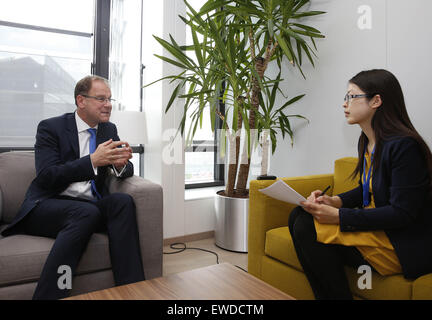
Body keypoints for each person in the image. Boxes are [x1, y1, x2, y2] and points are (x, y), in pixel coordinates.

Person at [288, 69, 432, 300]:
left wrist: (340, 216)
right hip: (376, 228)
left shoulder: (404, 147)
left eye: (351, 97)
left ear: (376, 101)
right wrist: (336, 200)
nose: (345, 104)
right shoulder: (368, 141)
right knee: (298, 214)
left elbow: (403, 213)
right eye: (345, 97)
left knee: (306, 225)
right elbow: (370, 188)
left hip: (397, 243)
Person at [1, 75, 145, 299]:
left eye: (109, 99)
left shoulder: (108, 129)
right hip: (46, 205)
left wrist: (120, 165)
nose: (108, 104)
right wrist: (92, 161)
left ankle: (133, 290)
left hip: (90, 206)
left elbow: (125, 170)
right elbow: (48, 176)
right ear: (81, 100)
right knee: (85, 211)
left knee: (123, 202)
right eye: (101, 99)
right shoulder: (51, 128)